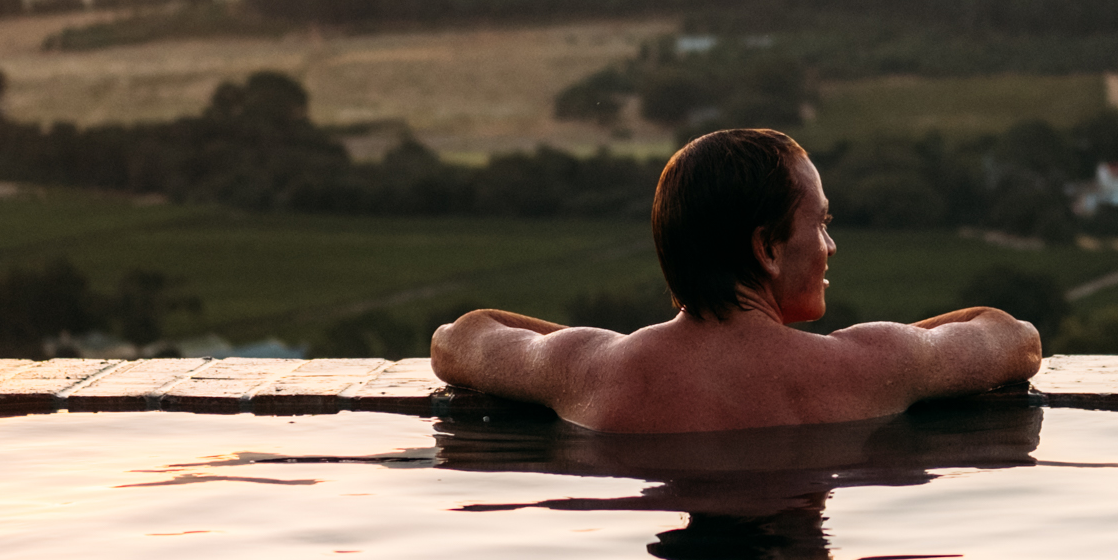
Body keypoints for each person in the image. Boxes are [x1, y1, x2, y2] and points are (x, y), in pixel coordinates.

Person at [429, 126, 1042, 432]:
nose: (830, 247)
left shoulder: (586, 366)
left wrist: (610, 350)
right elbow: (1015, 338)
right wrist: (897, 350)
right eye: (820, 225)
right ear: (768, 249)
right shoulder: (872, 362)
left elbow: (458, 339)